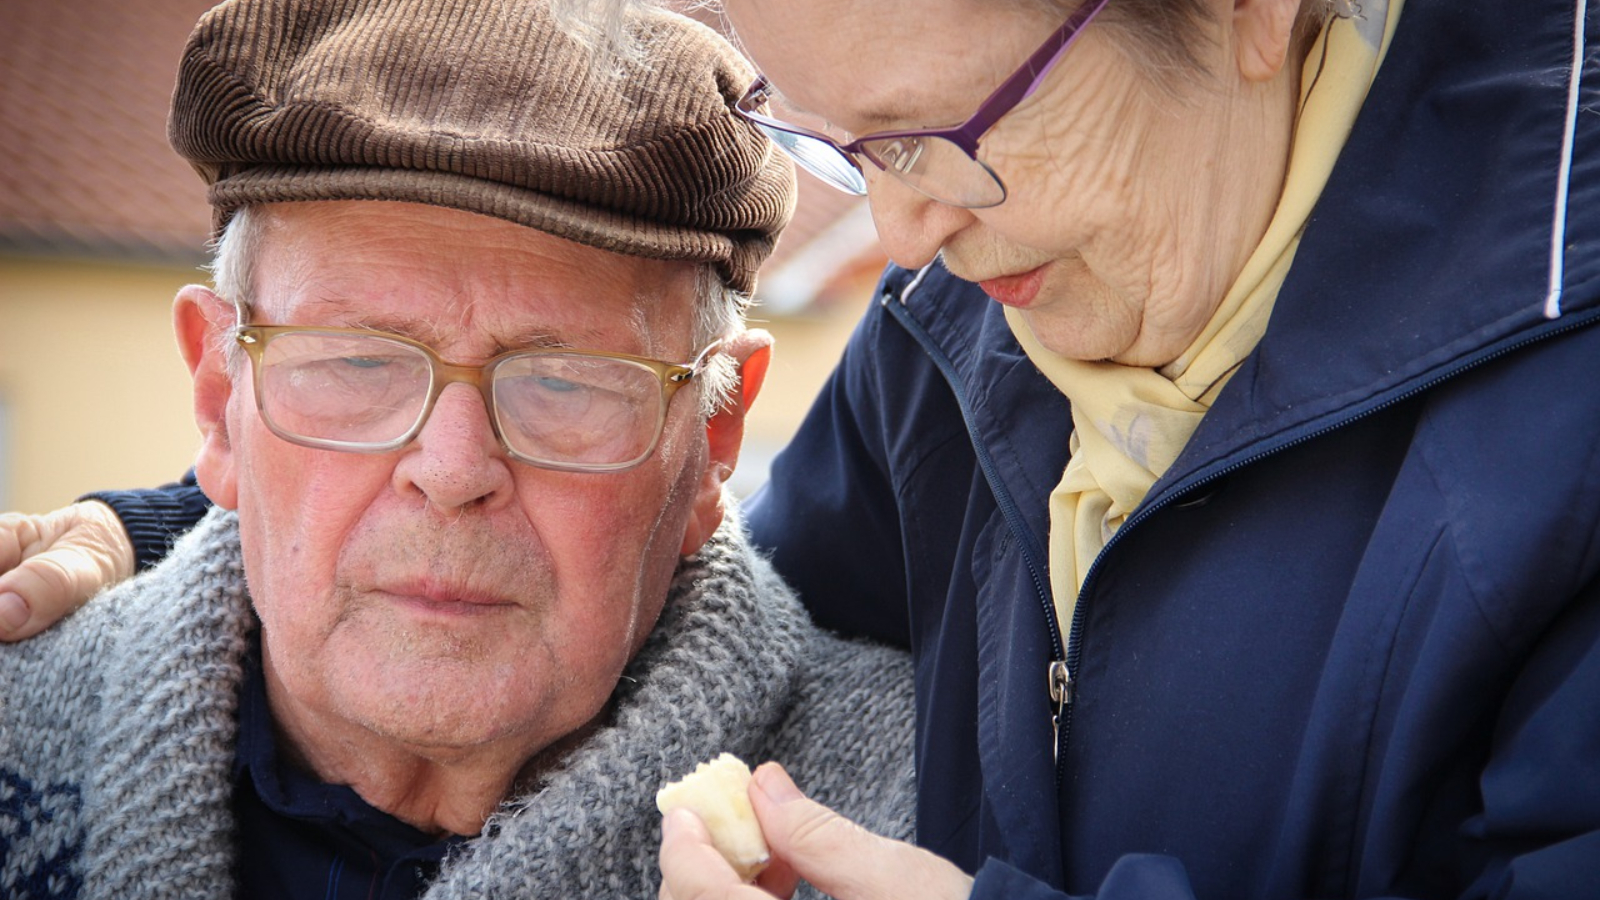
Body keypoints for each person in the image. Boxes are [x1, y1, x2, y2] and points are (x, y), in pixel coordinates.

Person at [6, 0, 1600, 898]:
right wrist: (168, 544)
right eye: (840, 151)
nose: (902, 235)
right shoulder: (966, 325)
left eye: (950, 133)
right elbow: (654, 558)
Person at [0, 0, 917, 897]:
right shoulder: (15, 724)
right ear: (218, 398)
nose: (450, 471)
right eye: (359, 362)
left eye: (562, 383)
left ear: (713, 437)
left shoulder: (926, 812)